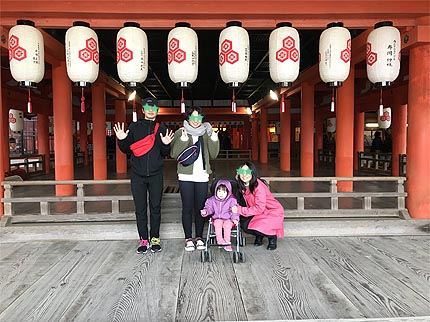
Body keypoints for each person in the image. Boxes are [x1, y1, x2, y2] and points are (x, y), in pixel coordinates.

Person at [114, 97, 174, 254]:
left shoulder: (161, 128)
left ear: (157, 110)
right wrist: (121, 140)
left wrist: (166, 144)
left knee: (155, 208)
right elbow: (127, 149)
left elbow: (165, 153)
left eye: (154, 107)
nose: (150, 110)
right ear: (143, 109)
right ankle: (143, 239)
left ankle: (155, 238)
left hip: (156, 175)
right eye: (148, 107)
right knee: (140, 209)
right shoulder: (134, 127)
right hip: (138, 175)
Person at [170, 106, 220, 252]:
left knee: (200, 208)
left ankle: (198, 237)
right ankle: (188, 238)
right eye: (193, 118)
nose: (196, 121)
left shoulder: (206, 132)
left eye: (199, 118)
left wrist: (214, 137)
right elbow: (174, 154)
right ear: (188, 118)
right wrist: (184, 140)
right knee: (187, 207)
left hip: (202, 175)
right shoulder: (180, 132)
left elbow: (213, 154)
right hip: (185, 175)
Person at [232, 161, 284, 250]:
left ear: (253, 172)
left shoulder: (258, 187)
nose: (244, 175)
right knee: (245, 225)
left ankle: (272, 237)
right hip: (258, 211)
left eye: (247, 172)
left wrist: (240, 210)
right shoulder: (244, 183)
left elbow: (259, 208)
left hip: (271, 211)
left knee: (254, 225)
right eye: (242, 172)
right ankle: (259, 236)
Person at [200, 179, 239, 252]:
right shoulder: (212, 200)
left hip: (229, 219)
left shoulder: (232, 200)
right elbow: (209, 208)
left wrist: (235, 219)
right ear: (216, 191)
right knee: (217, 223)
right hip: (217, 218)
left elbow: (234, 211)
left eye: (224, 192)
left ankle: (227, 243)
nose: (221, 194)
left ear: (228, 192)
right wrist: (205, 212)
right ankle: (220, 241)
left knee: (227, 225)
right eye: (219, 191)